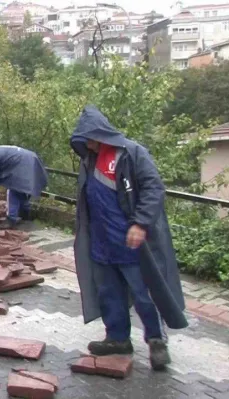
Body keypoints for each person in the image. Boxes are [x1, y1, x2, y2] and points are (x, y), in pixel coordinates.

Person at [70, 105, 188, 371]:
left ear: (101, 133)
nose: (87, 142)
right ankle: (117, 338)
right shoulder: (89, 159)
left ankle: (156, 340)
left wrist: (141, 223)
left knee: (144, 293)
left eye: (90, 136)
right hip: (102, 241)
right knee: (108, 292)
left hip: (131, 242)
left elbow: (153, 188)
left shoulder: (132, 153)